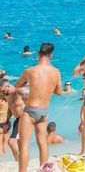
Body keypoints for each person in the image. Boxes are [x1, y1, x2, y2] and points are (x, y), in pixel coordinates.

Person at [14, 42, 61, 172]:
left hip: (30, 111)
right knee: (42, 142)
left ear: (38, 54)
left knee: (24, 145)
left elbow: (17, 85)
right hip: (44, 112)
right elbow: (59, 92)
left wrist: (29, 84)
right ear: (51, 56)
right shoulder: (56, 72)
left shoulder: (29, 70)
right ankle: (44, 169)